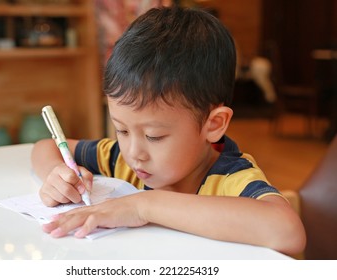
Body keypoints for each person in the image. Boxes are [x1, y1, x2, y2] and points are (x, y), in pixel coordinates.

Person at [31, 6, 306, 256]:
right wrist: (58, 175)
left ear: (214, 125)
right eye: (121, 130)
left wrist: (143, 205)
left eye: (154, 136)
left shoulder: (230, 177)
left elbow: (287, 231)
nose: (134, 152)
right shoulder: (122, 159)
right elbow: (46, 146)